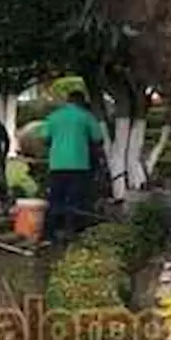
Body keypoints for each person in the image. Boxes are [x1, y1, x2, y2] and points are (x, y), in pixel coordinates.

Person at [41, 91, 104, 245]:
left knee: (55, 199)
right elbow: (98, 138)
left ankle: (50, 234)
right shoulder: (86, 116)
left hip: (57, 165)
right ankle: (70, 231)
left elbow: (44, 138)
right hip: (79, 165)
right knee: (75, 200)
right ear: (81, 102)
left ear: (67, 101)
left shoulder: (54, 116)